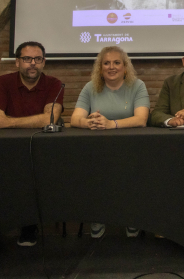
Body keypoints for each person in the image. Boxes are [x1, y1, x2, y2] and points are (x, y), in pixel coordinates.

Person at [0, 41, 64, 247]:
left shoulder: (54, 83)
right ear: (17, 62)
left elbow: (50, 119)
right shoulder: (3, 81)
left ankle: (28, 226)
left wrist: (8, 122)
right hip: (5, 150)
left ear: (43, 62)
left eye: (37, 59)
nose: (32, 64)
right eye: (27, 59)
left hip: (42, 151)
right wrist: (30, 121)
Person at [70, 45, 150, 239]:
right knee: (95, 175)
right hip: (99, 151)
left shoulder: (137, 85)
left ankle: (132, 217)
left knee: (132, 177)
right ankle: (99, 216)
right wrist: (88, 122)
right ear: (100, 68)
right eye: (106, 63)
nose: (111, 67)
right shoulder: (90, 87)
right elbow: (74, 120)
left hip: (131, 150)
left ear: (125, 67)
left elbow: (141, 120)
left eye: (116, 62)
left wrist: (110, 124)